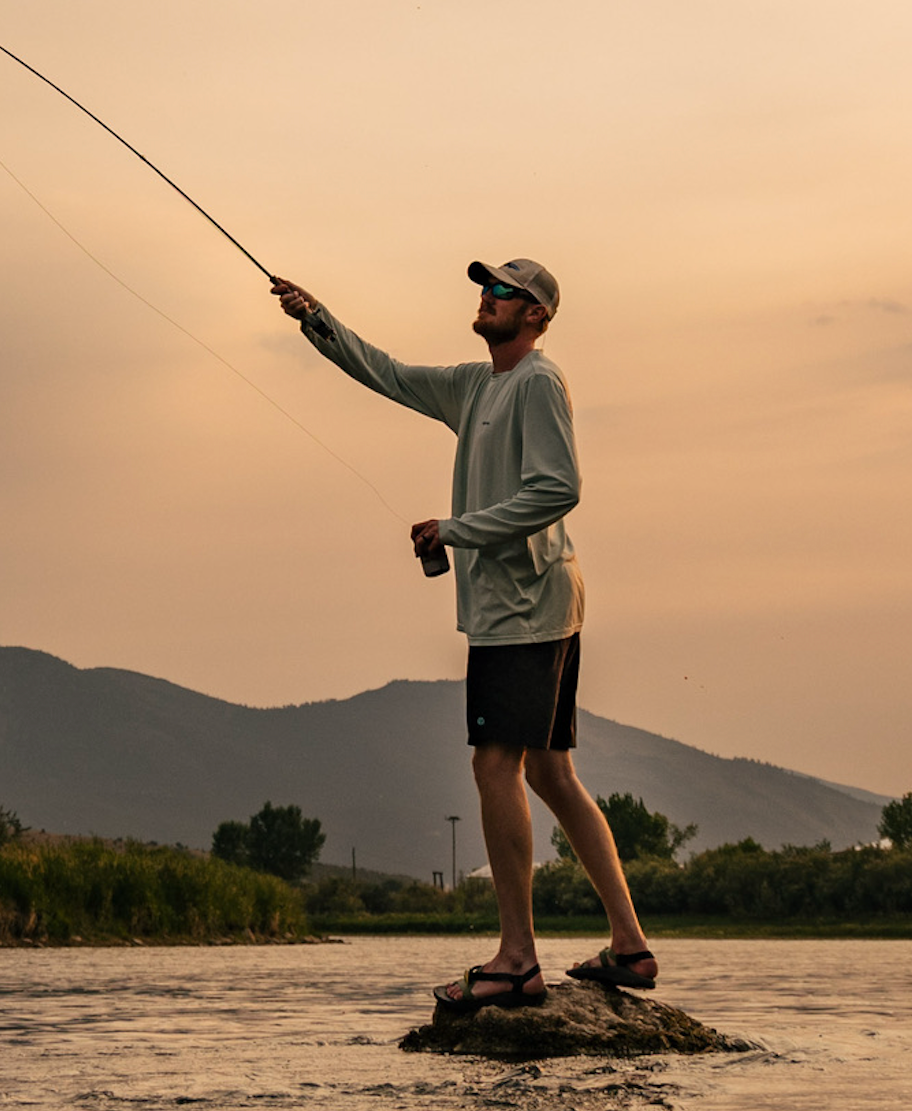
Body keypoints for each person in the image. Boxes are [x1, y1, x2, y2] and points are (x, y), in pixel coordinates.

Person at [271, 260, 660, 1010]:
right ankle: (631, 948)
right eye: (487, 287)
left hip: (524, 605)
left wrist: (457, 529)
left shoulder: (539, 383)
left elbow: (557, 489)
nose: (489, 296)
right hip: (530, 603)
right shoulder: (473, 385)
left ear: (538, 315)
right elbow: (384, 372)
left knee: (494, 766)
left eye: (506, 291)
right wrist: (313, 317)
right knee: (550, 773)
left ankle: (517, 959)